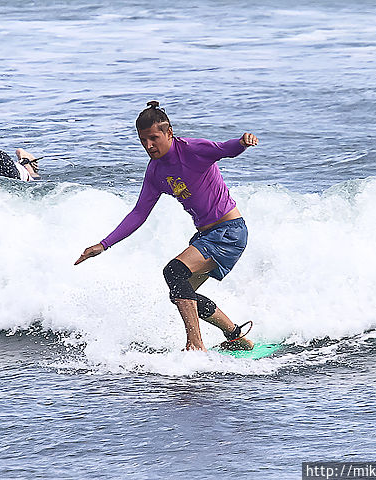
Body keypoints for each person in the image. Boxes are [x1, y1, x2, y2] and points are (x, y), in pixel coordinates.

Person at [74, 101, 258, 352]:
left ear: (168, 132)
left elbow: (224, 149)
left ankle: (195, 345)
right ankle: (235, 335)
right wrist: (103, 245)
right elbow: (139, 212)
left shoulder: (192, 149)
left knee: (174, 273)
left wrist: (242, 142)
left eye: (153, 138)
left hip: (229, 231)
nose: (148, 146)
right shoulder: (156, 172)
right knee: (180, 293)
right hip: (206, 235)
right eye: (143, 141)